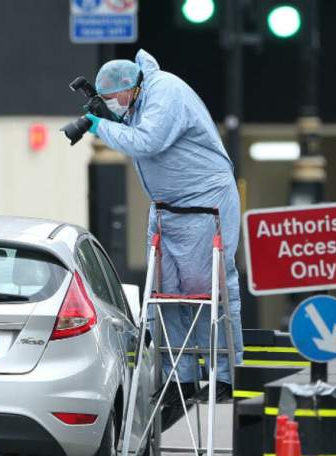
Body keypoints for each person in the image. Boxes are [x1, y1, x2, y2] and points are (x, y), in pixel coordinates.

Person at [85, 50, 244, 428]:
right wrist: (106, 118)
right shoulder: (140, 99)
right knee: (166, 294)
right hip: (168, 208)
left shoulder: (165, 91)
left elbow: (147, 142)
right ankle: (181, 377)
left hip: (206, 204)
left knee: (210, 291)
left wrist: (98, 126)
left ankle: (224, 375)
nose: (113, 106)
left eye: (112, 99)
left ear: (129, 88)